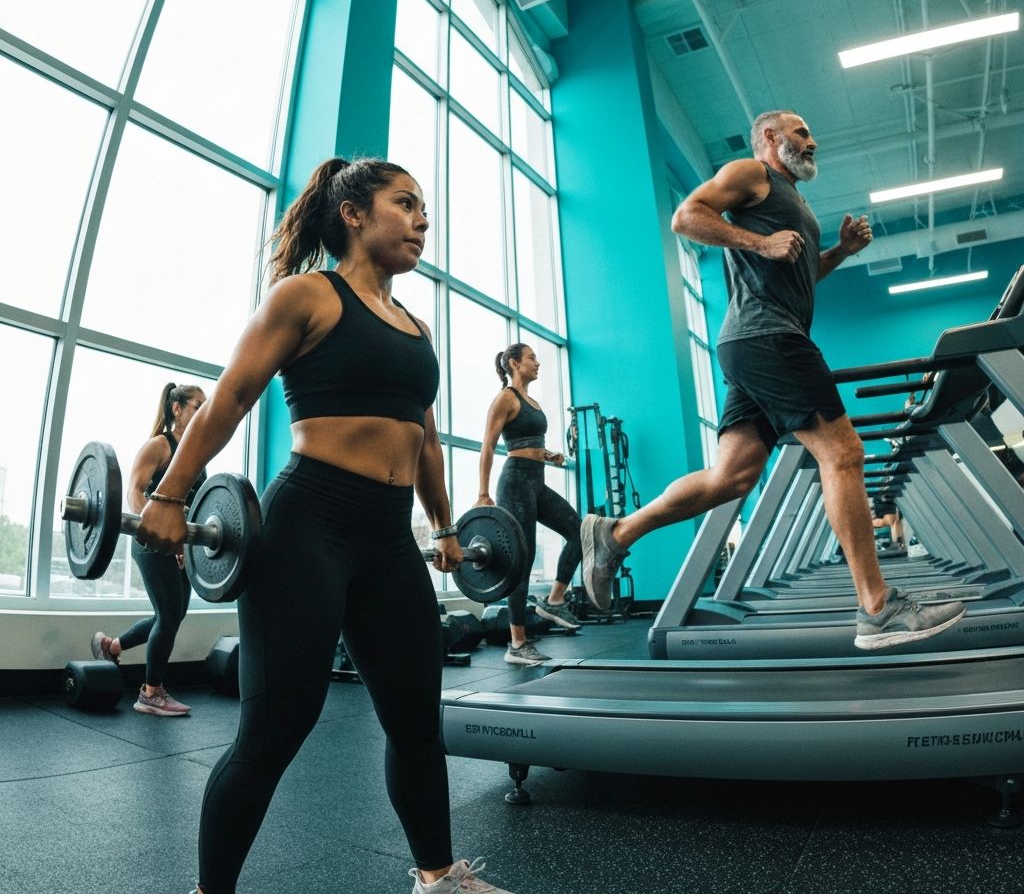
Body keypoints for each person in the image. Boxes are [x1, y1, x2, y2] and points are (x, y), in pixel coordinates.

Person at [136, 158, 513, 894]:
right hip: (308, 525)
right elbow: (230, 397)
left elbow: (426, 441)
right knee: (273, 731)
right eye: (405, 203)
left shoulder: (417, 328)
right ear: (353, 213)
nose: (422, 220)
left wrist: (442, 527)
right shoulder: (308, 296)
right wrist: (172, 494)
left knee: (416, 722)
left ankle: (437, 877)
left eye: (424, 208)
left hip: (388, 539)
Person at [580, 110, 965, 652]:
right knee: (843, 453)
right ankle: (878, 609)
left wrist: (839, 252)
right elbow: (686, 217)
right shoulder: (750, 173)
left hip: (754, 340)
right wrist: (760, 244)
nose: (813, 140)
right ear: (769, 136)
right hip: (768, 337)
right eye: (802, 132)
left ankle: (615, 533)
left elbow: (798, 274)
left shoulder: (794, 201)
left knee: (730, 478)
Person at [90, 382, 207, 717]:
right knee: (169, 617)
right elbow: (134, 492)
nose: (204, 411)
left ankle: (112, 646)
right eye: (198, 405)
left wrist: (185, 544)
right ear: (177, 409)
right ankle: (151, 693)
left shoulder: (195, 453)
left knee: (171, 616)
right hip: (151, 542)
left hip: (181, 547)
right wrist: (158, 534)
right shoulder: (159, 445)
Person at [476, 343, 582, 666]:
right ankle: (517, 643)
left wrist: (549, 455)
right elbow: (488, 446)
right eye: (532, 358)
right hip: (515, 483)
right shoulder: (506, 399)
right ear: (514, 363)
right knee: (522, 558)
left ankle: (555, 599)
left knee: (578, 532)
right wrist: (483, 494)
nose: (538, 363)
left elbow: (528, 444)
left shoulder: (532, 402)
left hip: (536, 482)